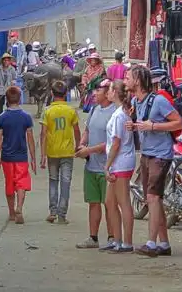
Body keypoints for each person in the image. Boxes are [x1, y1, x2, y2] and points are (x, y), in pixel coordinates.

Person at [125, 65, 182, 257]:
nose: (125, 80)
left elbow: (179, 122)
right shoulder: (135, 101)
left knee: (152, 197)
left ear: (138, 80)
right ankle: (164, 244)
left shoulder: (158, 101)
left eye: (128, 77)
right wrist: (135, 126)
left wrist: (153, 126)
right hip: (147, 153)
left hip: (160, 154)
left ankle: (151, 243)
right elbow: (143, 124)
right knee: (154, 199)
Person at [74, 79, 117, 249]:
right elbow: (87, 130)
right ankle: (93, 237)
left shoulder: (116, 113)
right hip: (91, 165)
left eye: (97, 90)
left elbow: (113, 143)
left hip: (108, 167)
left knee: (110, 205)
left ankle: (113, 237)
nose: (94, 94)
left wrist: (89, 150)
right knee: (93, 202)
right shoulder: (94, 110)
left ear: (107, 93)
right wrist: (82, 144)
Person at [102, 80, 136, 253]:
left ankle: (127, 242)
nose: (107, 92)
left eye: (109, 89)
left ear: (115, 92)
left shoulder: (119, 115)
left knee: (123, 202)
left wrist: (107, 165)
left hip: (121, 161)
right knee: (110, 201)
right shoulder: (121, 113)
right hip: (119, 161)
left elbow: (116, 142)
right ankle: (117, 239)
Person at [0, 86, 37, 224]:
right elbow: (30, 139)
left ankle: (12, 212)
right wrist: (33, 158)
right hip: (21, 156)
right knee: (21, 182)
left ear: (6, 100)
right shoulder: (26, 117)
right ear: (20, 99)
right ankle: (19, 207)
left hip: (7, 157)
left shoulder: (1, 118)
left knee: (9, 184)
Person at [40, 81, 80, 224]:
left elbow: (43, 134)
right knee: (65, 182)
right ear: (66, 94)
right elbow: (76, 130)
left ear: (52, 93)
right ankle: (62, 214)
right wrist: (78, 146)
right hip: (67, 152)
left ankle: (53, 212)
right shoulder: (71, 111)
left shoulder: (47, 111)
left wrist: (42, 154)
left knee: (53, 180)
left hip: (52, 152)